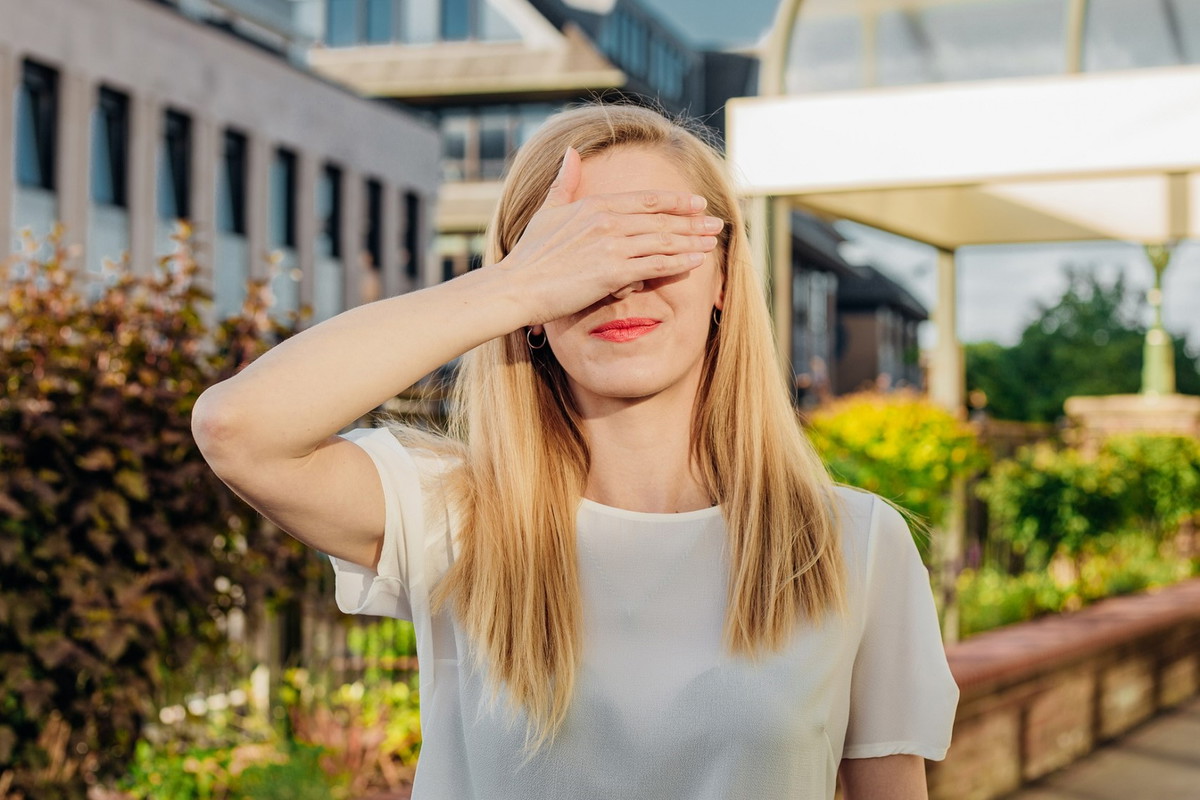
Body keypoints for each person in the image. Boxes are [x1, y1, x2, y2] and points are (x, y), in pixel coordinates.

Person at [192, 103, 959, 800]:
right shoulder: (454, 516)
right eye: (580, 251)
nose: (621, 284)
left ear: (724, 277)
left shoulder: (854, 544)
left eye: (654, 242)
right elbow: (238, 429)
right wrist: (515, 285)